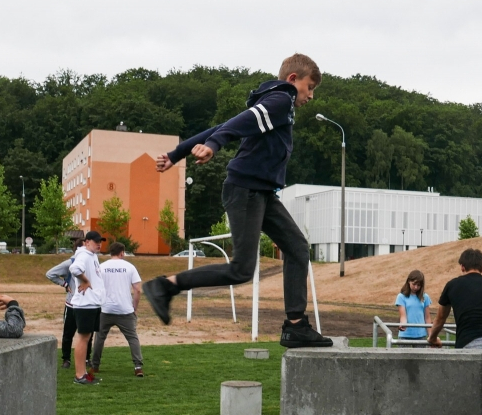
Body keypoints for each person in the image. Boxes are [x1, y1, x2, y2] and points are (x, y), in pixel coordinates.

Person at [141, 53, 332, 349]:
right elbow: (242, 122)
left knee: (297, 248)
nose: (311, 95)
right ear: (294, 80)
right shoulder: (282, 99)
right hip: (246, 190)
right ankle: (166, 286)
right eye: (310, 87)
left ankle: (296, 326)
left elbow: (225, 123)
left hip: (262, 192)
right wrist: (214, 146)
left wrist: (177, 154)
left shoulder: (273, 102)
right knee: (242, 268)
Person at [426, 248, 482, 350]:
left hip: (468, 343)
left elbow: (440, 318)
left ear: (462, 267)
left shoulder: (452, 285)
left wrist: (432, 338)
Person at [91, 241, 144, 377]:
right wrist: (135, 307)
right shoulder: (130, 267)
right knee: (132, 338)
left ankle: (95, 366)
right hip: (125, 309)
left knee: (99, 338)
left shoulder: (101, 267)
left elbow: (94, 287)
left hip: (105, 309)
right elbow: (137, 290)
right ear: (122, 253)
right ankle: (138, 366)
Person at [45, 238, 92, 369]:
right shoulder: (70, 263)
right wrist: (64, 284)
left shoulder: (91, 261)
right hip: (72, 304)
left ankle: (87, 358)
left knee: (87, 333)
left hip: (87, 304)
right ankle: (66, 359)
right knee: (68, 333)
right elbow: (50, 274)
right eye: (84, 247)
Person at [68, 231, 106, 385]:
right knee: (83, 338)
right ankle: (79, 375)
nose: (99, 244)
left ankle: (83, 373)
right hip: (85, 304)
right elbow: (74, 269)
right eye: (96, 241)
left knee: (87, 337)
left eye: (100, 241)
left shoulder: (92, 255)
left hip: (93, 302)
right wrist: (85, 280)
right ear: (87, 241)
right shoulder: (83, 255)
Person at [395, 269, 432, 341]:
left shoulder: (425, 297)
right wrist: (403, 325)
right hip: (405, 335)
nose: (416, 287)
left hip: (421, 335)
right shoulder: (401, 297)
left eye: (418, 285)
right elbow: (403, 316)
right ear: (409, 281)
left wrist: (430, 335)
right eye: (414, 284)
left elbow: (427, 318)